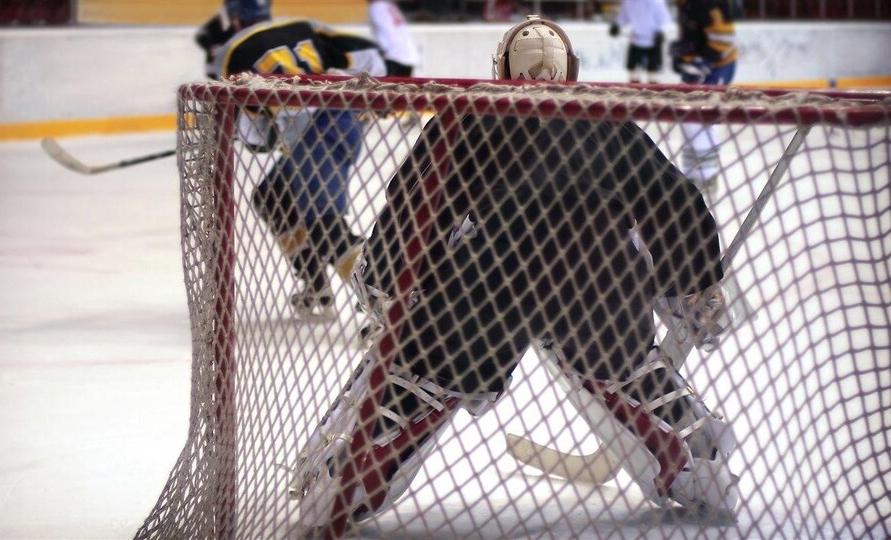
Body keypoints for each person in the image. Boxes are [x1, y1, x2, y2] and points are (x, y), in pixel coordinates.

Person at [290, 15, 738, 534]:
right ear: (571, 72)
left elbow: (414, 207)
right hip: (596, 286)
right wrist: (697, 284)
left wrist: (388, 285)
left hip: (487, 289)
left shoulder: (470, 117)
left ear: (500, 70)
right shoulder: (608, 122)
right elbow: (674, 204)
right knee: (615, 342)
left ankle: (365, 456)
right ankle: (687, 445)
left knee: (436, 353)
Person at [202, 0, 387, 318]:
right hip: (340, 119)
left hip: (315, 136)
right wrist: (356, 90)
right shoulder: (303, 26)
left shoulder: (230, 53)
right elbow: (370, 57)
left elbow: (258, 137)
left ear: (234, 17)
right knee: (271, 196)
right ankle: (316, 286)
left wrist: (245, 131)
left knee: (325, 226)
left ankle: (388, 309)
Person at [671, 0, 740, 189]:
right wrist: (684, 54)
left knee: (706, 119)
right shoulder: (685, 4)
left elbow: (724, 39)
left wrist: (704, 62)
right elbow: (694, 32)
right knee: (688, 118)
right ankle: (693, 176)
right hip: (699, 65)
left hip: (718, 67)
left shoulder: (709, 3)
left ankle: (707, 178)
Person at [609, 0, 672, 84]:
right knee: (634, 74)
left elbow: (665, 20)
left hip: (653, 41)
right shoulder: (629, 1)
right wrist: (617, 25)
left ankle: (652, 95)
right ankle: (634, 95)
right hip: (636, 40)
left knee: (653, 75)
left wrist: (661, 32)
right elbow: (624, 16)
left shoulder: (656, 2)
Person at [368, 0, 420, 77]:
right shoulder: (389, 7)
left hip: (393, 56)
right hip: (407, 55)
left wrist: (382, 50)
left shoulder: (377, 7)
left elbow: (384, 31)